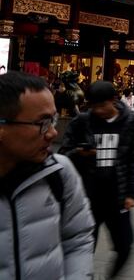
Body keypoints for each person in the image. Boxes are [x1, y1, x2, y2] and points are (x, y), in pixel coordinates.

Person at [0, 71, 95, 280]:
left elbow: (78, 239)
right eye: (42, 123)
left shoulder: (60, 173)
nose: (52, 133)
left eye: (53, 120)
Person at [60, 80, 134, 278]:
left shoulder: (130, 122)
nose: (97, 111)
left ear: (113, 100)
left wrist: (133, 193)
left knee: (125, 246)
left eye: (101, 105)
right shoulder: (82, 122)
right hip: (87, 198)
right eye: (93, 106)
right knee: (84, 248)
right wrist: (79, 153)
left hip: (118, 195)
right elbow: (63, 154)